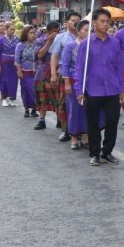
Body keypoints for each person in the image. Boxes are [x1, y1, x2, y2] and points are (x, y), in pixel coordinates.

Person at [75, 8, 124, 166]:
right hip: (92, 89)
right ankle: (94, 153)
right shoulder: (86, 44)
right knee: (93, 123)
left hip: (112, 88)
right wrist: (79, 90)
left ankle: (107, 152)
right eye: (102, 21)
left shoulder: (115, 43)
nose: (105, 24)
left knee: (112, 121)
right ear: (94, 23)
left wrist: (121, 88)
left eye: (107, 21)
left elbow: (119, 67)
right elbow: (80, 68)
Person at [50, 11, 81, 142]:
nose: (75, 23)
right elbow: (54, 56)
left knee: (80, 103)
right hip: (65, 73)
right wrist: (53, 74)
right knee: (64, 103)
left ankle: (81, 130)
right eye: (73, 20)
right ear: (67, 22)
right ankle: (66, 130)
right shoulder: (61, 37)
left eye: (78, 20)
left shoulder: (85, 37)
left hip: (81, 75)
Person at [61, 20, 91, 150]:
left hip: (89, 82)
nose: (88, 33)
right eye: (85, 30)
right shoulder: (70, 46)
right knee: (74, 109)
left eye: (90, 30)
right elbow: (65, 65)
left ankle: (85, 135)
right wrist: (67, 83)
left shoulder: (91, 46)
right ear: (78, 31)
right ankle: (73, 136)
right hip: (74, 81)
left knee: (87, 109)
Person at [33, 21, 60, 130]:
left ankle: (60, 120)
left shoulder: (61, 39)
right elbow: (39, 55)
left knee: (58, 98)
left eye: (57, 31)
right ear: (48, 31)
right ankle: (42, 120)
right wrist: (49, 41)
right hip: (43, 72)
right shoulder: (40, 40)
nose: (56, 33)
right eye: (53, 31)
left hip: (57, 71)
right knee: (42, 98)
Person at [15, 26, 38, 118]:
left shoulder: (36, 44)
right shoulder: (20, 45)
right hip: (25, 72)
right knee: (25, 91)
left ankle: (34, 109)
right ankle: (26, 109)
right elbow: (17, 60)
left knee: (35, 91)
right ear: (25, 34)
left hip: (36, 72)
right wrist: (19, 71)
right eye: (30, 33)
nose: (33, 35)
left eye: (34, 33)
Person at [0, 22, 19, 108]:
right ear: (6, 30)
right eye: (11, 29)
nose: (13, 31)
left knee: (14, 81)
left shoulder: (17, 39)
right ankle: (4, 99)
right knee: (3, 80)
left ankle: (12, 99)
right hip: (4, 65)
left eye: (14, 29)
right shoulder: (1, 40)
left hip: (14, 65)